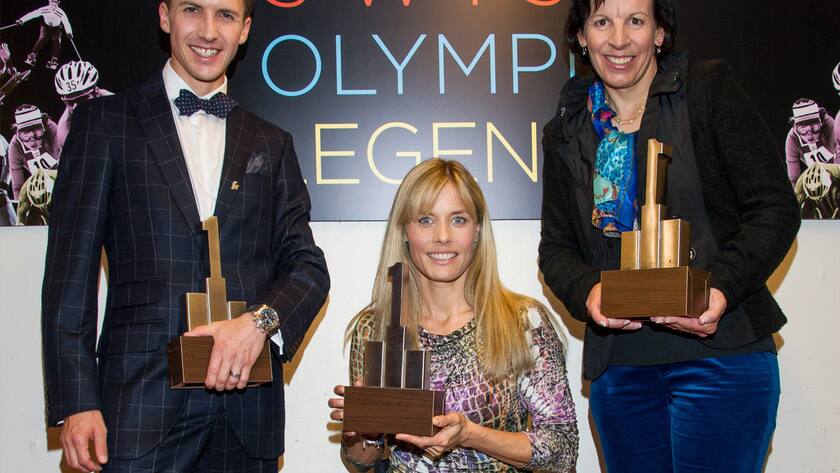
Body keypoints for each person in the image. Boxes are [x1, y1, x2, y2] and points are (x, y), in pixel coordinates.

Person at [41, 1, 329, 472]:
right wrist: (77, 402)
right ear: (165, 16)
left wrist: (258, 324)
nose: (209, 31)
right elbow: (68, 279)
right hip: (138, 409)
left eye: (226, 15)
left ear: (245, 29)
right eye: (193, 9)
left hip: (246, 412)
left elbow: (308, 268)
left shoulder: (272, 143)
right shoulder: (104, 124)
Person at [539, 0, 799, 472]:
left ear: (659, 33)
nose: (619, 39)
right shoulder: (565, 130)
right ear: (581, 35)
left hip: (721, 359)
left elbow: (774, 209)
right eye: (602, 22)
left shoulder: (707, 91)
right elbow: (557, 250)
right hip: (620, 371)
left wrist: (718, 288)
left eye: (636, 21)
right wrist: (589, 291)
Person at [328, 159, 579, 472]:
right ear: (404, 230)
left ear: (477, 229)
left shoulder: (524, 322)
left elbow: (562, 451)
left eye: (458, 219)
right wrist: (365, 434)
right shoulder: (373, 327)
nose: (443, 236)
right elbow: (361, 461)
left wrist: (470, 435)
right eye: (426, 220)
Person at [54, 60, 113, 148]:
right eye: (70, 101)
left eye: (82, 100)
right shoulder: (64, 130)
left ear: (97, 92)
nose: (76, 107)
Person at [7, 104, 60, 201]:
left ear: (44, 128)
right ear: (18, 134)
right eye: (25, 134)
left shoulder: (52, 129)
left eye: (37, 132)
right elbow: (17, 187)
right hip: (41, 185)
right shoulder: (15, 146)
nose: (32, 141)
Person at [784, 98, 837, 187]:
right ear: (795, 127)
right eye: (802, 129)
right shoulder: (792, 138)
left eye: (814, 127)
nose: (809, 135)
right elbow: (794, 177)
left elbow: (838, 148)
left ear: (821, 122)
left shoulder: (828, 123)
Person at [17, 0, 74, 69]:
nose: (53, 7)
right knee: (42, 38)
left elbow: (66, 22)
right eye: (52, 5)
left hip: (56, 28)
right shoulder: (44, 9)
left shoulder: (61, 12)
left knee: (57, 41)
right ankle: (32, 56)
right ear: (49, 3)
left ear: (58, 4)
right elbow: (33, 14)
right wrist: (21, 20)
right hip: (46, 27)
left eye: (55, 5)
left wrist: (69, 32)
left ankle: (54, 60)